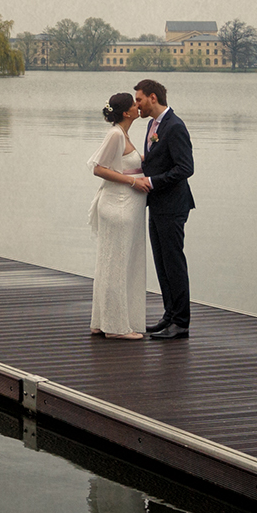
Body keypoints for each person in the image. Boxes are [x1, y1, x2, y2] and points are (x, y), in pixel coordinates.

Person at [129, 78, 195, 340]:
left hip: (173, 205)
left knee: (174, 263)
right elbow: (157, 160)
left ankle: (181, 322)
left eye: (139, 99)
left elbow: (185, 168)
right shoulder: (152, 124)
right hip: (157, 205)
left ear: (153, 98)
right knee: (161, 263)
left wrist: (152, 182)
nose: (137, 105)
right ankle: (169, 315)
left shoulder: (175, 126)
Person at [87, 92, 150, 337]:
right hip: (119, 205)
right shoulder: (115, 134)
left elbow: (128, 164)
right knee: (117, 265)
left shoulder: (123, 134)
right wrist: (133, 183)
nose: (138, 106)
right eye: (135, 104)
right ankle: (114, 327)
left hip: (125, 206)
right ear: (126, 112)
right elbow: (99, 168)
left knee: (113, 263)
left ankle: (101, 321)